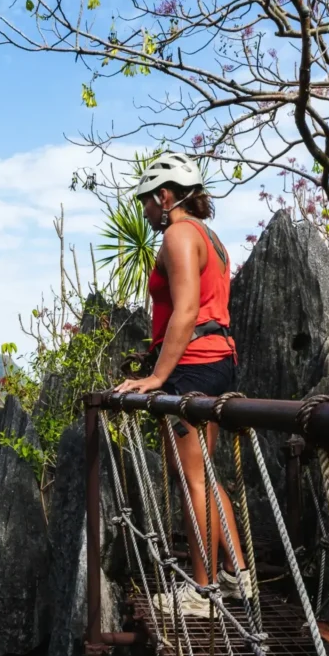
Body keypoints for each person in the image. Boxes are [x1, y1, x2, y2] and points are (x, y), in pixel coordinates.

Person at [114, 152, 249, 617]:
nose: (145, 212)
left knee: (192, 477)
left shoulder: (178, 234)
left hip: (193, 367)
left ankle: (203, 591)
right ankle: (236, 575)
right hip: (217, 361)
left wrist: (157, 377)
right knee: (203, 474)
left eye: (147, 203)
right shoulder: (210, 237)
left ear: (165, 195)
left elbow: (187, 309)